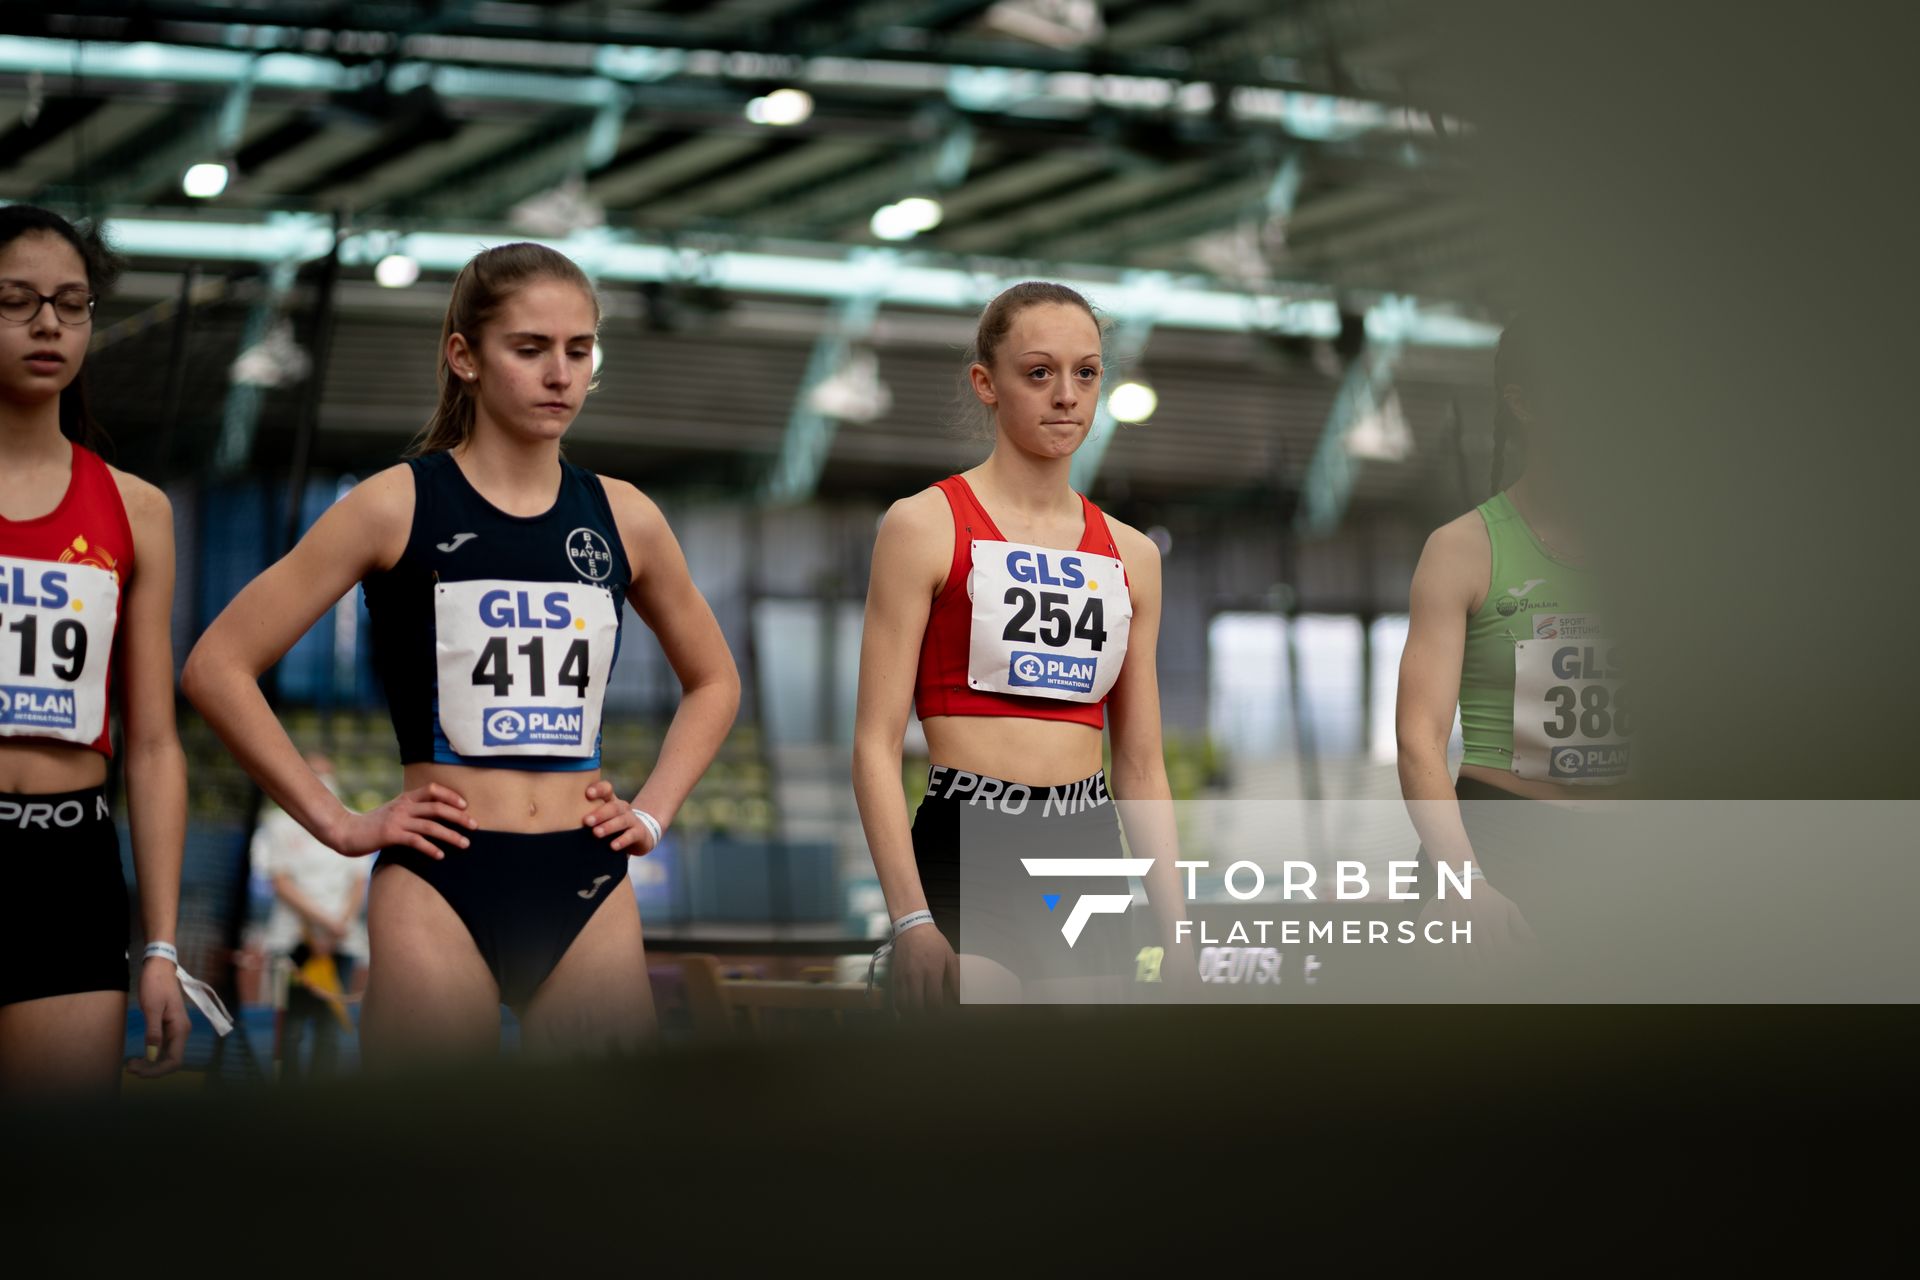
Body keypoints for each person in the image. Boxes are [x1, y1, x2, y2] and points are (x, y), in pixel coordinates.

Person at [184, 242, 739, 1062]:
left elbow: (716, 679)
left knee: (610, 1172)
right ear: (464, 356)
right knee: (428, 1170)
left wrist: (654, 811)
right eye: (530, 348)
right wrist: (337, 824)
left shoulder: (626, 517)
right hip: (443, 879)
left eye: (578, 350)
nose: (560, 373)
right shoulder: (394, 504)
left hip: (585, 882)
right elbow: (217, 664)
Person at [853, 281, 1187, 1011]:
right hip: (973, 841)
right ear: (987, 384)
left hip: (1087, 846)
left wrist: (1178, 927)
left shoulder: (1133, 557)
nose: (1066, 395)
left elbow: (1138, 762)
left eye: (1086, 373)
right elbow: (875, 745)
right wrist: (911, 917)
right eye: (1039, 373)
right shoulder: (923, 527)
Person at [0, 205, 196, 1095]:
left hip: (70, 868)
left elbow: (153, 744)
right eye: (17, 300)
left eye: (71, 304)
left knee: (51, 1189)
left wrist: (160, 946)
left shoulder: (136, 510)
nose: (49, 323)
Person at [1395, 313, 1629, 984]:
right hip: (1502, 840)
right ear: (1522, 402)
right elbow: (1419, 739)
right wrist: (1465, 884)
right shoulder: (1462, 549)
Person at [255, 753, 368, 1079]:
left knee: (330, 1025)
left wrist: (337, 928)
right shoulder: (278, 824)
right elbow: (281, 882)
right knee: (291, 1024)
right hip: (294, 941)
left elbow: (358, 883)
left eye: (326, 773)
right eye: (314, 773)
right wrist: (321, 924)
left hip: (339, 942)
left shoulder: (355, 819)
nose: (322, 780)